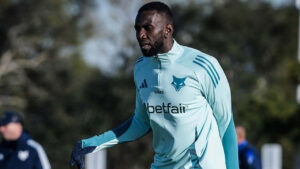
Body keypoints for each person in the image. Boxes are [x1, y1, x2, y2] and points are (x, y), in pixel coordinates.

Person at [70, 1, 239, 169]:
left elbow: (226, 123)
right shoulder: (141, 67)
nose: (140, 34)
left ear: (168, 30)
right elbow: (141, 121)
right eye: (137, 28)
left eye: (147, 28)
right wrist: (93, 143)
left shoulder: (203, 65)